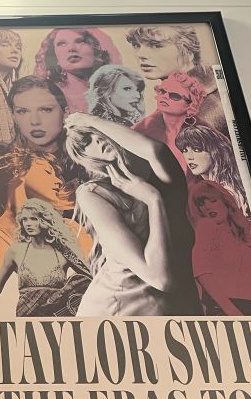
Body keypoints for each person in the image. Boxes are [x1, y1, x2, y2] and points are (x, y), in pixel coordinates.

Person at [64, 112, 202, 316]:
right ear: (85, 157)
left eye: (96, 132)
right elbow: (160, 279)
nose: (97, 139)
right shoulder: (94, 193)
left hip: (177, 304)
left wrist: (91, 121)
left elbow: (155, 150)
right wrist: (153, 200)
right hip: (118, 307)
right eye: (86, 141)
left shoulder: (160, 176)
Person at [0, 76, 88, 278]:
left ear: (65, 112)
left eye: (46, 110)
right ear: (13, 116)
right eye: (22, 111)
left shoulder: (89, 162)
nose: (34, 121)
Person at [0, 199, 91, 317]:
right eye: (24, 219)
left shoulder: (63, 250)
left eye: (33, 219)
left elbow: (90, 277)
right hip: (26, 317)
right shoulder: (16, 251)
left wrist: (74, 302)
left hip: (57, 318)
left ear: (45, 220)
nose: (28, 224)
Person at [187, 180, 251, 315]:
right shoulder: (207, 226)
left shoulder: (247, 239)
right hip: (230, 309)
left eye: (213, 200)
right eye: (201, 203)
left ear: (226, 202)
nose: (207, 207)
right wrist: (233, 312)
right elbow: (202, 272)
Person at [125, 24, 227, 133]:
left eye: (155, 45)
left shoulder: (207, 106)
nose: (140, 54)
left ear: (187, 49)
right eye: (136, 45)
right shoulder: (176, 95)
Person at [33, 27, 121, 113]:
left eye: (81, 41)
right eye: (62, 44)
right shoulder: (47, 97)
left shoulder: (116, 94)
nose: (71, 48)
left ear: (96, 51)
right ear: (55, 57)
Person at [134, 72, 206, 169]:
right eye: (162, 91)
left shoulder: (203, 133)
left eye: (174, 96)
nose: (165, 96)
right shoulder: (143, 129)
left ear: (190, 104)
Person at [174, 123, 250, 215]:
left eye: (197, 150)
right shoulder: (207, 189)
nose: (189, 157)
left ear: (214, 151)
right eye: (185, 150)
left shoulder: (226, 191)